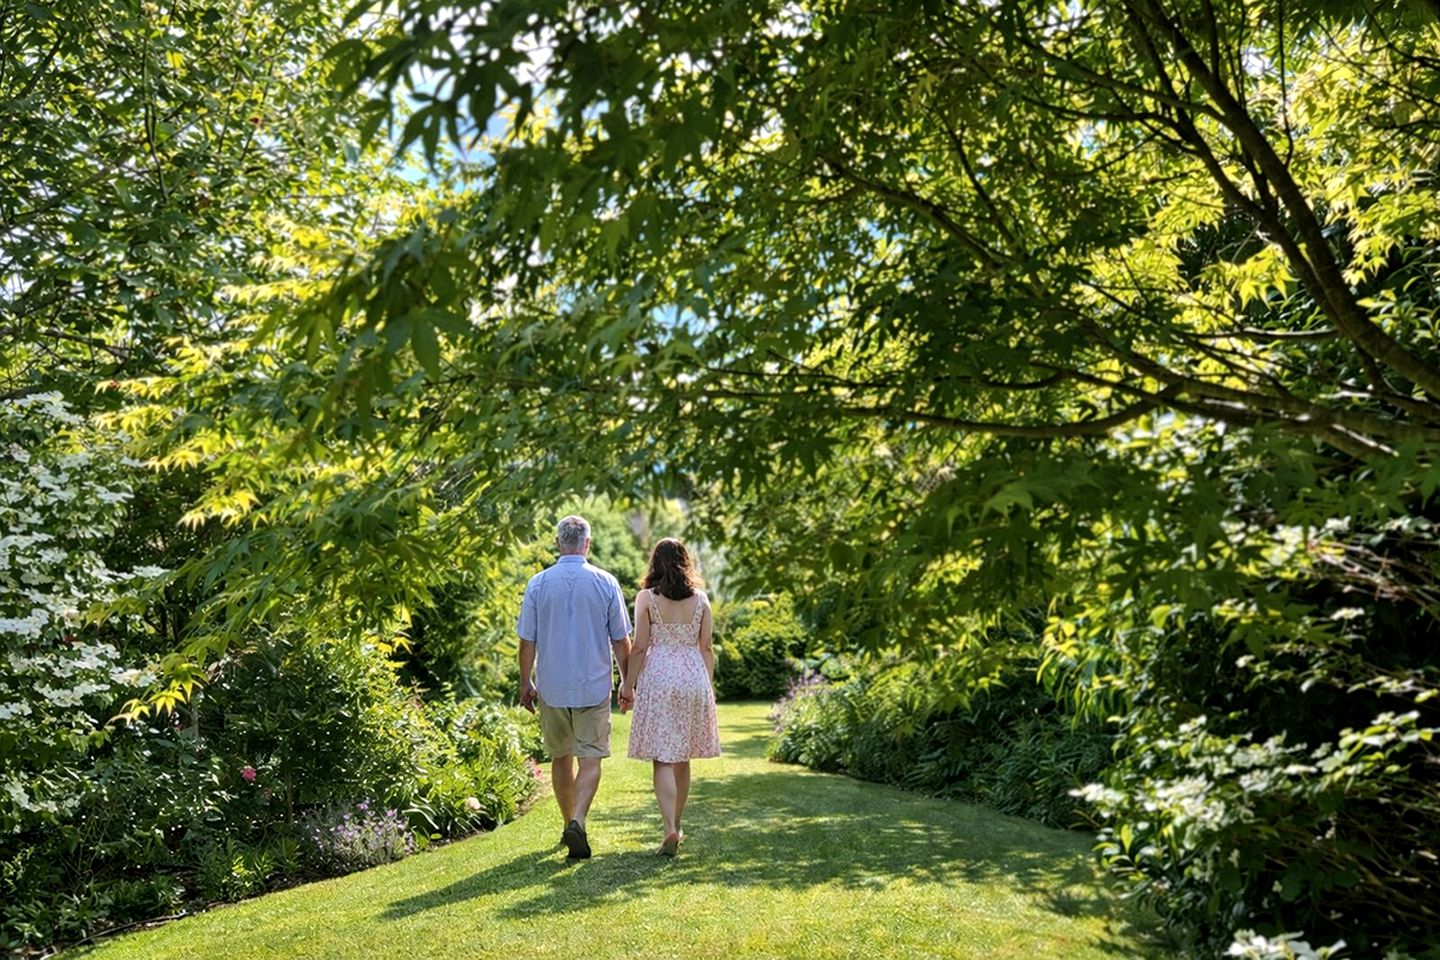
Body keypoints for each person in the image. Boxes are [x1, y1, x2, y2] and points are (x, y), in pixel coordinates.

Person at [517, 515, 633, 860]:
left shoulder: (538, 584)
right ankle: (577, 821)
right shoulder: (606, 582)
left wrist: (525, 682)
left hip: (552, 686)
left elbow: (527, 642)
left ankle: (568, 821)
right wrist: (628, 682)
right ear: (588, 544)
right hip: (593, 685)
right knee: (591, 758)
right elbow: (621, 640)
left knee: (560, 757)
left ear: (558, 543)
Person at [619, 537, 721, 856]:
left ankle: (669, 829)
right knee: (683, 756)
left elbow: (639, 646)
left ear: (655, 563)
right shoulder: (701, 599)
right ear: (685, 561)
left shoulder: (647, 598)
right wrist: (707, 687)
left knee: (662, 757)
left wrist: (627, 685)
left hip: (660, 676)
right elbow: (706, 647)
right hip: (693, 676)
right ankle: (678, 824)